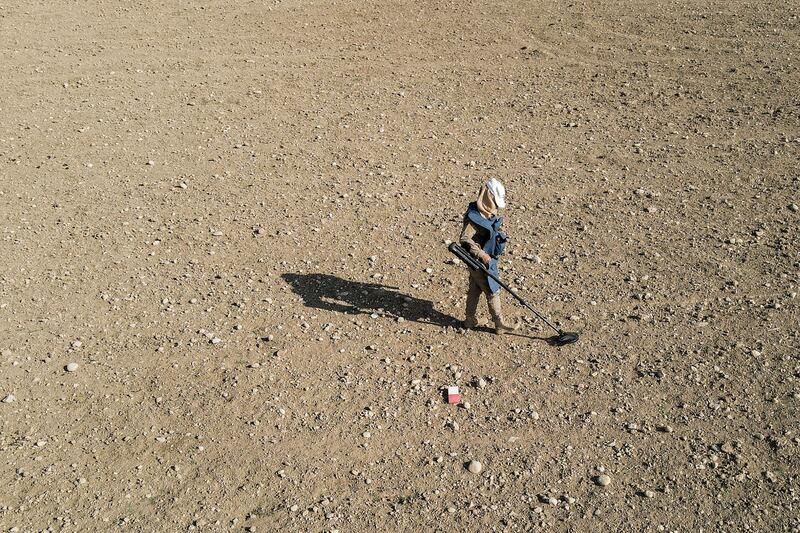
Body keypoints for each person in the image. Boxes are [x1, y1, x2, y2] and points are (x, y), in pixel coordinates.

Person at [459, 178, 519, 334]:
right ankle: (500, 324)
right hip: (479, 261)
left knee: (474, 289)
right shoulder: (474, 217)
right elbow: (465, 238)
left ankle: (469, 319)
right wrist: (482, 255)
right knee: (492, 291)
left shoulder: (485, 212)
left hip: (480, 260)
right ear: (488, 196)